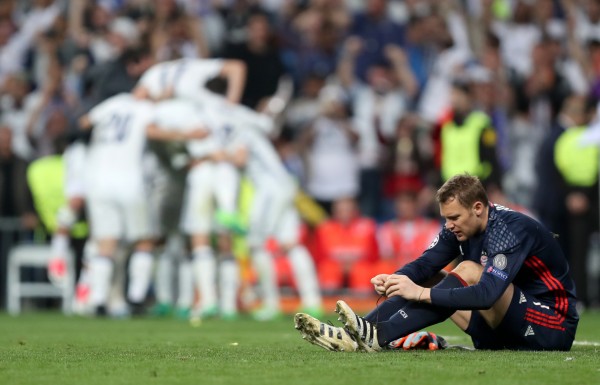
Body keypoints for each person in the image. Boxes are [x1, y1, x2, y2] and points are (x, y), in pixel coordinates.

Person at [295, 173, 579, 352]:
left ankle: (377, 337)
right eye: (445, 217)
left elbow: (488, 294)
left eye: (454, 217)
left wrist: (418, 293)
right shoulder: (460, 227)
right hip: (504, 326)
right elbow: (424, 265)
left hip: (551, 325)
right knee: (429, 277)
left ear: (478, 208)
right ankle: (354, 334)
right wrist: (395, 278)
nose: (448, 224)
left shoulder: (509, 229)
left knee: (465, 271)